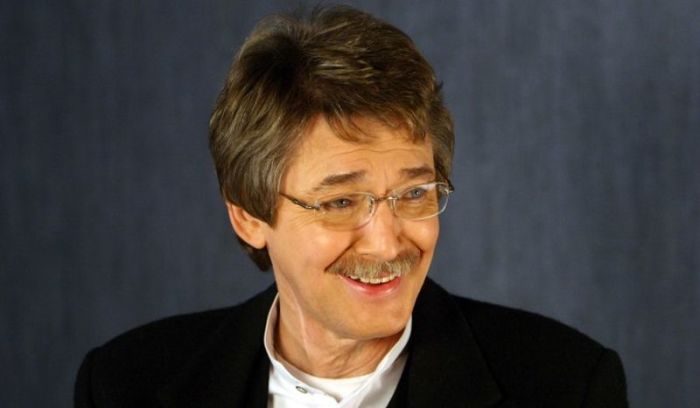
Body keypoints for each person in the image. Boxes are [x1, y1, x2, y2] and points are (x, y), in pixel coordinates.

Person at [75, 6, 627, 407]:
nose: (387, 243)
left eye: (414, 193)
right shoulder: (125, 385)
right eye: (340, 201)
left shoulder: (566, 386)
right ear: (248, 215)